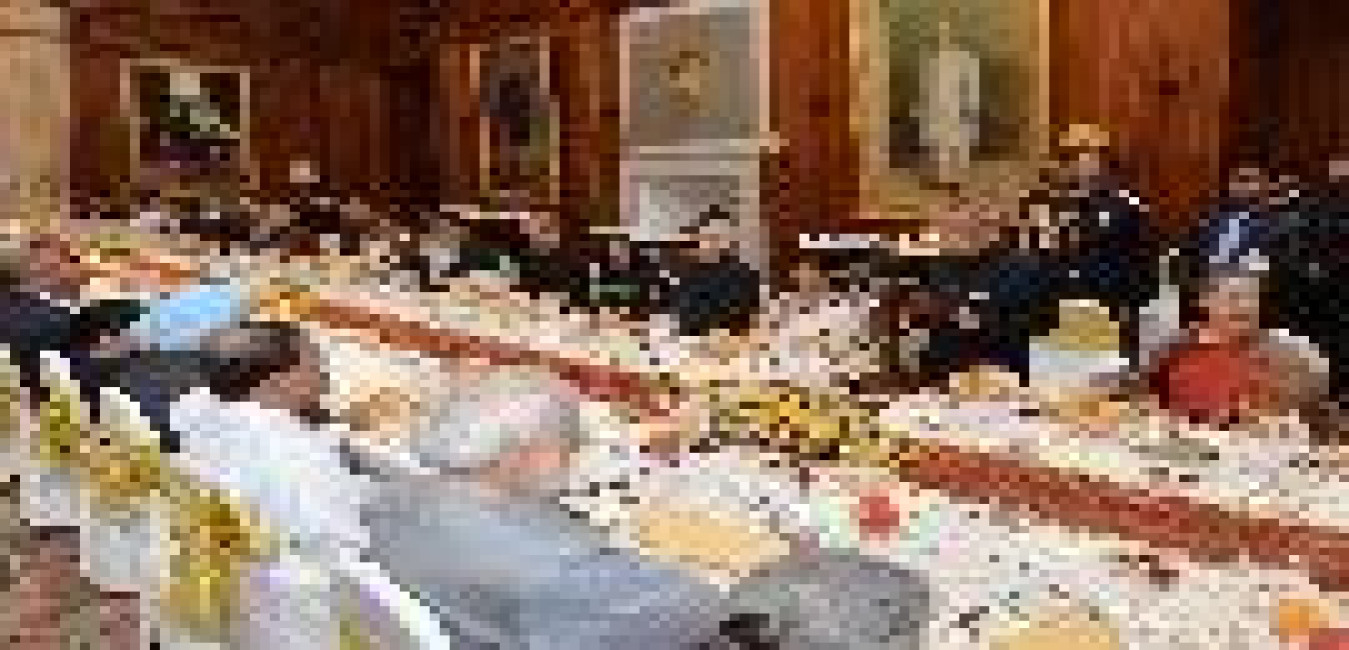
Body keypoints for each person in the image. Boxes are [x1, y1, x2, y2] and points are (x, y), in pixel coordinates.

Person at [1146, 269, 1329, 429]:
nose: (1243, 307)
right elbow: (1159, 403)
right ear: (1205, 304)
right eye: (1233, 298)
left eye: (1250, 300)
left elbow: (1312, 389)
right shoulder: (1178, 352)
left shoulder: (1284, 352)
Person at [1049, 124, 1159, 370]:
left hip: (1110, 309)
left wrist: (1128, 309)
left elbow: (1143, 262)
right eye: (1068, 157)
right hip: (1065, 310)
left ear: (1103, 160)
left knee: (1106, 380)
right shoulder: (1058, 202)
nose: (1076, 163)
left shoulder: (1126, 204)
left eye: (1084, 153)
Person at [661, 205, 763, 338]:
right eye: (708, 237)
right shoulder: (686, 271)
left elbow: (742, 321)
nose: (713, 243)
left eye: (719, 237)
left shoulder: (743, 276)